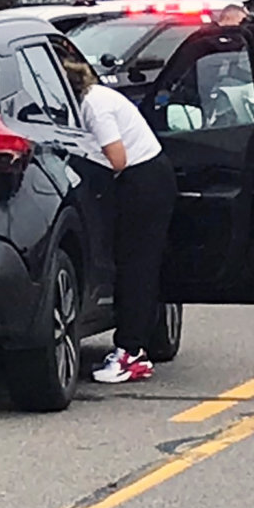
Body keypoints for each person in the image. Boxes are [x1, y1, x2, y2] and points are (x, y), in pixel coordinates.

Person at [63, 54, 175, 386]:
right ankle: (135, 344)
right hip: (144, 178)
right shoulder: (95, 100)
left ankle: (131, 352)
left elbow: (117, 159)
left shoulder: (96, 106)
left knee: (136, 267)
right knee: (135, 265)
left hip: (144, 182)